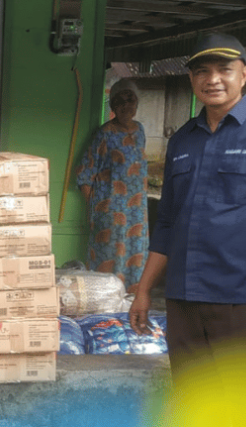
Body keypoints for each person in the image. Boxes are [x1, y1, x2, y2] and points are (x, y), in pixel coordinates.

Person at [129, 33, 246, 423]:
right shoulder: (182, 140)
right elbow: (167, 222)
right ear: (192, 79)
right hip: (184, 298)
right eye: (202, 71)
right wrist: (143, 291)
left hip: (243, 297)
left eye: (224, 69)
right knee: (193, 402)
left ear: (244, 74)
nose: (213, 79)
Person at [76, 78, 148, 293]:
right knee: (110, 256)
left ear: (137, 103)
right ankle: (105, 300)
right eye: (120, 101)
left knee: (135, 254)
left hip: (137, 212)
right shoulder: (105, 133)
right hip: (111, 210)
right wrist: (95, 210)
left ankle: (130, 302)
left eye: (130, 100)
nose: (126, 105)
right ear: (113, 106)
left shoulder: (140, 130)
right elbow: (84, 173)